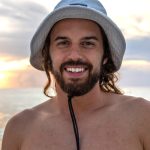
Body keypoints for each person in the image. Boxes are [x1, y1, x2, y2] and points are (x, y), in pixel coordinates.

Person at [2, 0, 150, 149]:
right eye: (63, 43)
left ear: (105, 55)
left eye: (87, 43)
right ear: (48, 55)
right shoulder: (19, 129)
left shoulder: (142, 117)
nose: (74, 55)